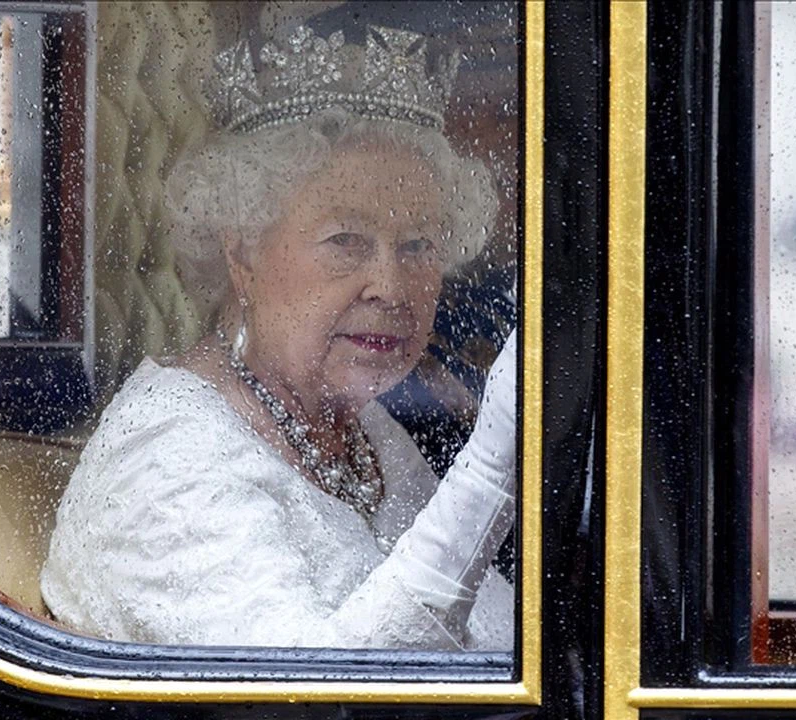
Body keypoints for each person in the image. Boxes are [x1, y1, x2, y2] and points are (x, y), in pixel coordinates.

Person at [41, 24, 517, 650]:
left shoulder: (367, 429)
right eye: (346, 240)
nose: (391, 286)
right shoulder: (170, 457)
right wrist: (496, 456)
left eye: (417, 246)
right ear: (241, 254)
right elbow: (319, 694)